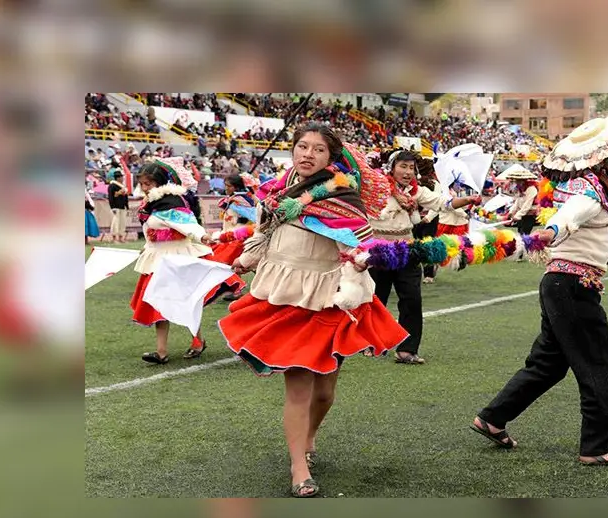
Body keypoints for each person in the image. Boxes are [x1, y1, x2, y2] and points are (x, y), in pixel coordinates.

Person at [217, 123, 409, 497]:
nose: (307, 154)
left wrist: (364, 260)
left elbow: (359, 246)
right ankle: (299, 468)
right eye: (302, 146)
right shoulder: (276, 191)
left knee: (324, 393)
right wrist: (247, 258)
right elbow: (263, 232)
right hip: (283, 294)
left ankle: (310, 435)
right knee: (299, 386)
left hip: (328, 297)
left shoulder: (343, 197)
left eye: (318, 149)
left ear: (331, 157)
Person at [471, 114, 608, 466]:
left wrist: (607, 256)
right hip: (573, 287)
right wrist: (550, 232)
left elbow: (582, 231)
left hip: (560, 283)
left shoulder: (588, 185)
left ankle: (493, 418)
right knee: (598, 363)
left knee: (548, 364)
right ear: (603, 156)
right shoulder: (590, 190)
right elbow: (570, 218)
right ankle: (596, 446)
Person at [367, 149, 479, 365]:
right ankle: (372, 343)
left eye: (411, 168)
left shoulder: (416, 192)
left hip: (407, 249)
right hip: (378, 250)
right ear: (391, 168)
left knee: (412, 299)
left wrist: (467, 199)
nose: (408, 172)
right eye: (403, 166)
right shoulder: (376, 187)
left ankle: (407, 350)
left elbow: (442, 203)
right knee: (375, 299)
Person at [130, 158, 244, 364]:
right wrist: (147, 246)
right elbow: (152, 230)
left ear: (160, 183)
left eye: (149, 183)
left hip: (177, 259)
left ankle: (197, 341)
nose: (145, 187)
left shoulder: (172, 202)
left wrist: (202, 236)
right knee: (158, 302)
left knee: (186, 301)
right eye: (142, 183)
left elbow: (188, 225)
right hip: (157, 259)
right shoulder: (150, 203)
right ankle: (161, 351)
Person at [107, 169, 129, 243]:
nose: (122, 178)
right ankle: (114, 238)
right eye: (121, 177)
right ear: (118, 178)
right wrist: (112, 207)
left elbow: (125, 197)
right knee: (115, 223)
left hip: (122, 206)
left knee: (122, 223)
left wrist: (127, 206)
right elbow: (110, 197)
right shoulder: (112, 186)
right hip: (116, 206)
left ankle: (121, 237)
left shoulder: (123, 187)